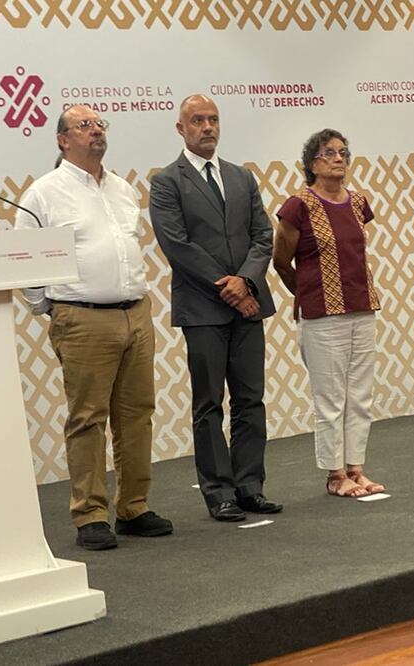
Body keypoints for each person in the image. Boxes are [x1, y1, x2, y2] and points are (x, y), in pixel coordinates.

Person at [16, 105, 172, 550]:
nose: (96, 132)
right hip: (81, 316)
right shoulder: (43, 193)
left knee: (137, 414)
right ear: (62, 140)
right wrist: (50, 308)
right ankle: (90, 514)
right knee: (87, 418)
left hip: (135, 312)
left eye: (100, 125)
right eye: (84, 126)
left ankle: (134, 506)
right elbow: (26, 257)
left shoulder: (122, 189)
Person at [149, 94, 282, 521]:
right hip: (203, 308)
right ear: (180, 128)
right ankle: (219, 492)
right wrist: (226, 286)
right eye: (197, 120)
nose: (207, 127)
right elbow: (177, 244)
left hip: (247, 305)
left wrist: (246, 281)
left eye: (213, 120)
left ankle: (249, 486)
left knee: (250, 400)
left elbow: (263, 235)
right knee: (209, 404)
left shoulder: (241, 177)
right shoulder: (167, 181)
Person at [273, 129, 385, 497]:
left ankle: (357, 468)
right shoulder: (298, 206)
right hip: (321, 314)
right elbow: (282, 261)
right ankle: (335, 474)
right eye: (328, 153)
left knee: (361, 395)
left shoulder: (358, 202)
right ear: (311, 164)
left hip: (362, 305)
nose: (338, 159)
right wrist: (308, 293)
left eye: (343, 152)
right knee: (331, 397)